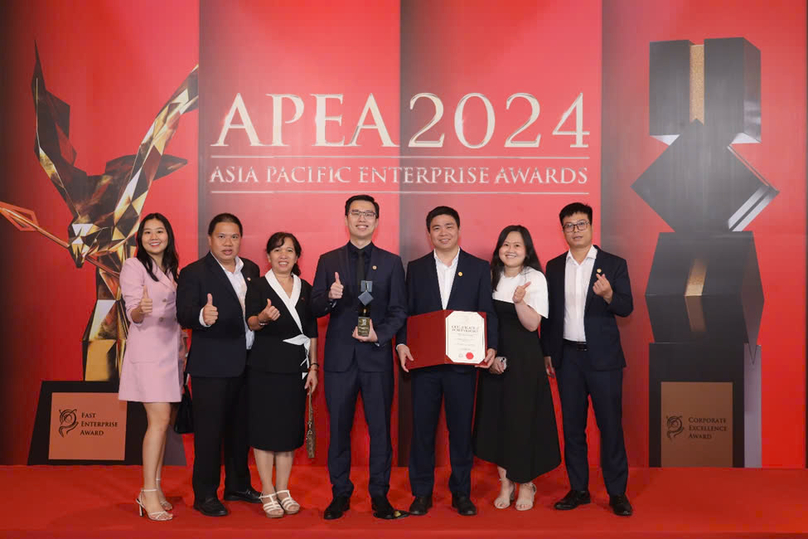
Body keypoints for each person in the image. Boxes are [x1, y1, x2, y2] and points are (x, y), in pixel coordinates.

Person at [310, 194, 408, 520]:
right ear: (346, 218)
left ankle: (380, 495)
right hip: (340, 360)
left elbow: (399, 310)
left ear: (377, 221)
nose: (362, 219)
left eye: (368, 214)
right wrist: (330, 297)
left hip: (376, 359)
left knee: (380, 430)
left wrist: (379, 334)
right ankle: (340, 494)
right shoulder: (328, 260)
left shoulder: (392, 262)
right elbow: (314, 305)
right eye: (356, 213)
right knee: (338, 429)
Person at [396, 206, 498, 517]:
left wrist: (490, 345)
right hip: (425, 363)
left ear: (459, 229)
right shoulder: (416, 267)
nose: (443, 232)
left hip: (462, 365)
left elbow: (487, 310)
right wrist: (401, 342)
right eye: (436, 228)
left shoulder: (479, 268)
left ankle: (461, 493)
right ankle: (422, 493)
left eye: (449, 226)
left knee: (460, 432)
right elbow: (405, 311)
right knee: (423, 431)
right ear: (429, 234)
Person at [540, 202, 634, 517]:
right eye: (569, 225)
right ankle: (578, 489)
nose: (575, 230)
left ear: (591, 227)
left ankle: (617, 493)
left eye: (580, 224)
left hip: (604, 360)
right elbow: (548, 315)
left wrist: (608, 294)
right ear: (562, 230)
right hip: (567, 358)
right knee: (573, 428)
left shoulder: (613, 263)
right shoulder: (553, 267)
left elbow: (626, 307)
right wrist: (547, 352)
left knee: (610, 428)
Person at [176, 213, 261, 517]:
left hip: (247, 363)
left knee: (241, 431)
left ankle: (237, 485)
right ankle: (206, 494)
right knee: (210, 433)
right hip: (211, 366)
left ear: (241, 239)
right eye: (222, 236)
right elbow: (183, 314)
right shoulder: (194, 272)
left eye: (234, 236)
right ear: (210, 239)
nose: (228, 243)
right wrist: (202, 316)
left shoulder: (250, 269)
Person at [472, 225, 561, 511]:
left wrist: (519, 302)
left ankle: (525, 484)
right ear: (499, 248)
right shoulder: (489, 276)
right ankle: (505, 483)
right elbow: (481, 318)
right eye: (506, 244)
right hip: (492, 354)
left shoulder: (534, 278)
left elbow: (533, 325)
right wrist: (490, 357)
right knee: (497, 420)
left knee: (522, 420)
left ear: (527, 251)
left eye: (517, 246)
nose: (510, 250)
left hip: (524, 359)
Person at [244, 232, 319, 518]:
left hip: (295, 368)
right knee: (264, 431)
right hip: (264, 366)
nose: (283, 255)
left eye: (289, 250)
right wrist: (262, 318)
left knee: (288, 432)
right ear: (268, 256)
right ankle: (266, 490)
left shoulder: (307, 288)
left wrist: (313, 366)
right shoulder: (258, 286)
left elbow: (312, 332)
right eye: (277, 250)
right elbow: (250, 321)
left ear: (297, 256)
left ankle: (283, 489)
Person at [119, 213, 184, 522]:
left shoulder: (172, 269)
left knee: (165, 421)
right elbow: (134, 310)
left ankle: (156, 489)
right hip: (148, 350)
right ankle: (146, 492)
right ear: (140, 238)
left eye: (160, 231)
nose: (154, 236)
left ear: (168, 235)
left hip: (172, 353)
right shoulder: (134, 266)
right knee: (157, 421)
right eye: (147, 232)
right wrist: (140, 310)